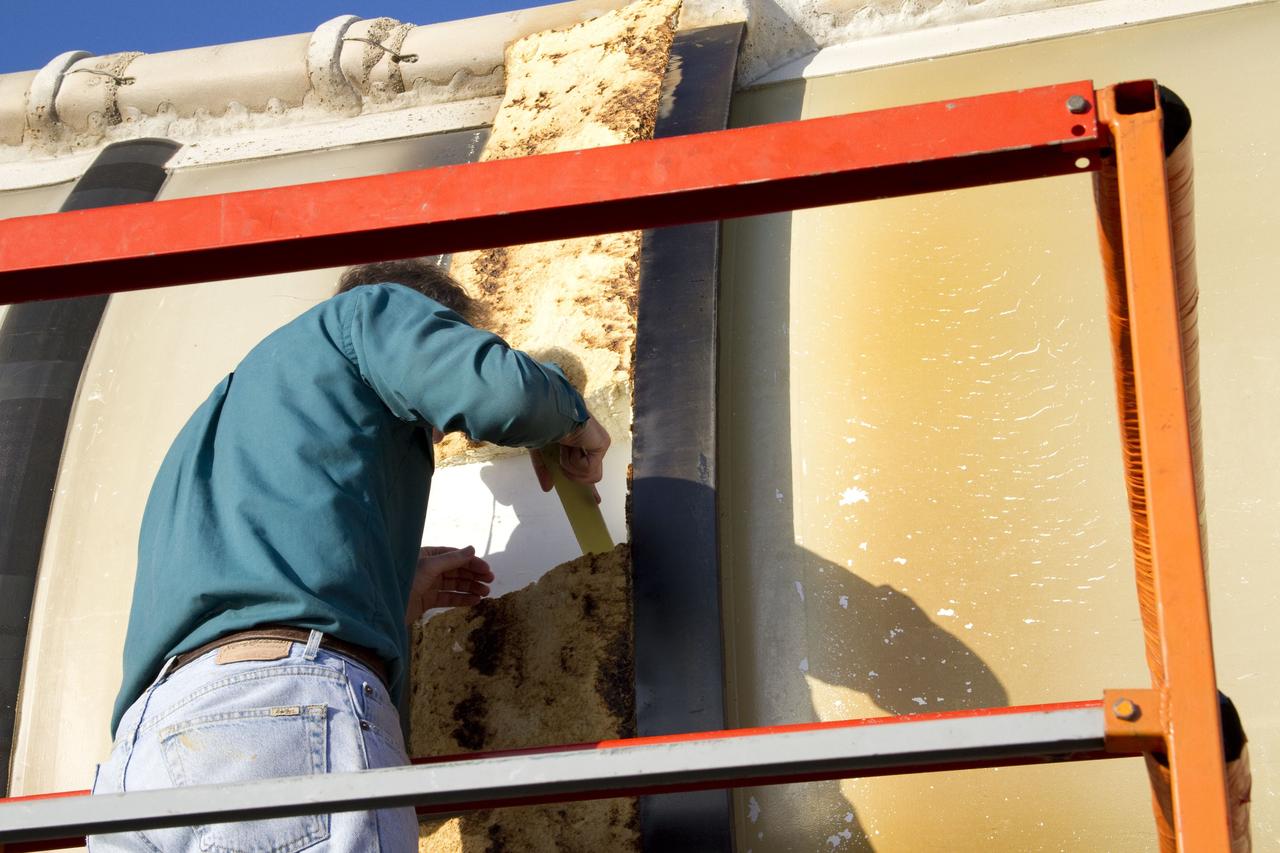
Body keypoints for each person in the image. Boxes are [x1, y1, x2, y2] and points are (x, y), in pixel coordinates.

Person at [89, 259, 610, 852]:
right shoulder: (366, 314)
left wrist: (392, 594)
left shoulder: (219, 431)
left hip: (143, 762)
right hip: (273, 717)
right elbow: (508, 394)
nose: (432, 432)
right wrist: (573, 418)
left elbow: (247, 606)